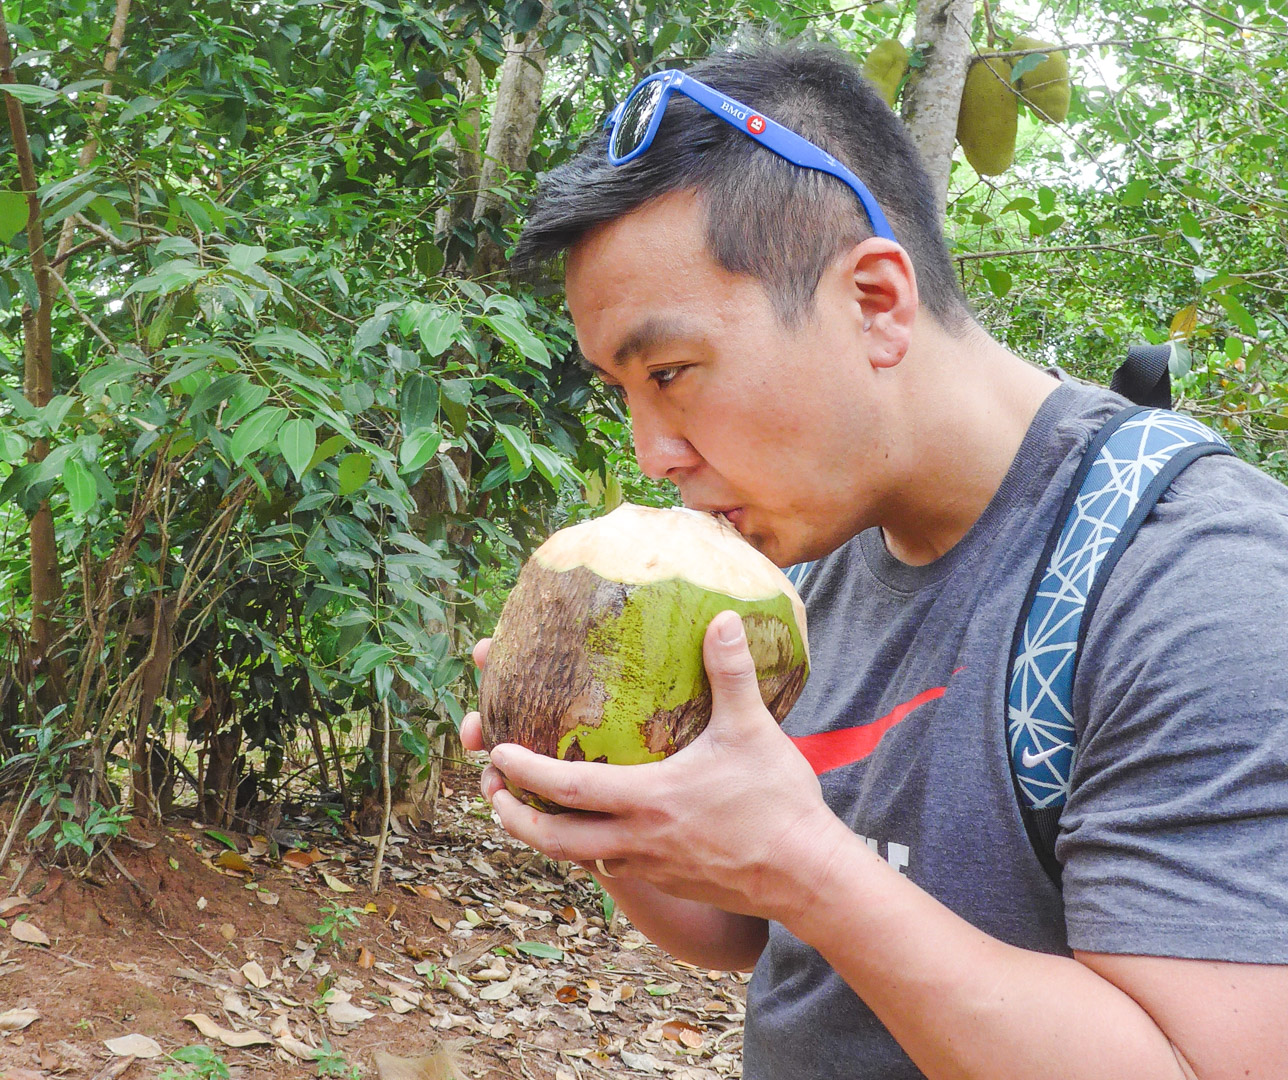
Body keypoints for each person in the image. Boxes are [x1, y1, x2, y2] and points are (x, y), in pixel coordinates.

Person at [458, 41, 1288, 1079]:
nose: (651, 453)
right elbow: (753, 935)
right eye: (621, 391)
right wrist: (604, 803)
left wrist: (809, 870)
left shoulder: (1200, 586)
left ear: (876, 304)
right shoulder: (804, 560)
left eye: (670, 372)